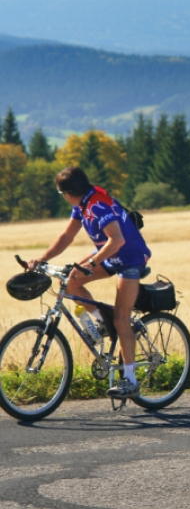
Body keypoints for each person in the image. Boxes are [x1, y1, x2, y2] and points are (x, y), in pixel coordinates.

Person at [28, 166, 151, 398]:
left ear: (68, 193)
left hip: (130, 258)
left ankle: (131, 380)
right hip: (111, 256)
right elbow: (66, 237)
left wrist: (91, 263)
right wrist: (41, 259)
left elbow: (116, 240)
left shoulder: (98, 205)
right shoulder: (82, 205)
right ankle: (102, 324)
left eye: (61, 193)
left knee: (122, 318)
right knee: (72, 280)